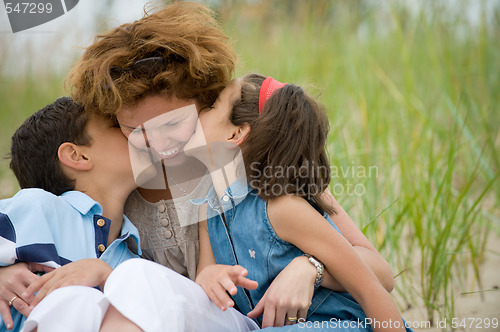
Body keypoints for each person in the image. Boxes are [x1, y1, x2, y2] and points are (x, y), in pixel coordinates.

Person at [0, 2, 394, 329]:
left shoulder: (252, 161)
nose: (157, 147)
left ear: (205, 105)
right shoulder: (123, 188)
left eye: (172, 125)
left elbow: (380, 272)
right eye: (134, 131)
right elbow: (47, 229)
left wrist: (311, 267)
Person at [186, 75, 414, 331]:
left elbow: (371, 289)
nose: (199, 112)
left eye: (212, 106)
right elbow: (205, 274)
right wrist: (208, 277)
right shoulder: (209, 206)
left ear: (236, 133)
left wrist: (311, 268)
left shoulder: (281, 208)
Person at [0, 97, 141, 331]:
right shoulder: (38, 208)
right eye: (118, 127)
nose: (135, 134)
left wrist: (109, 278)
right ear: (78, 156)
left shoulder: (134, 254)